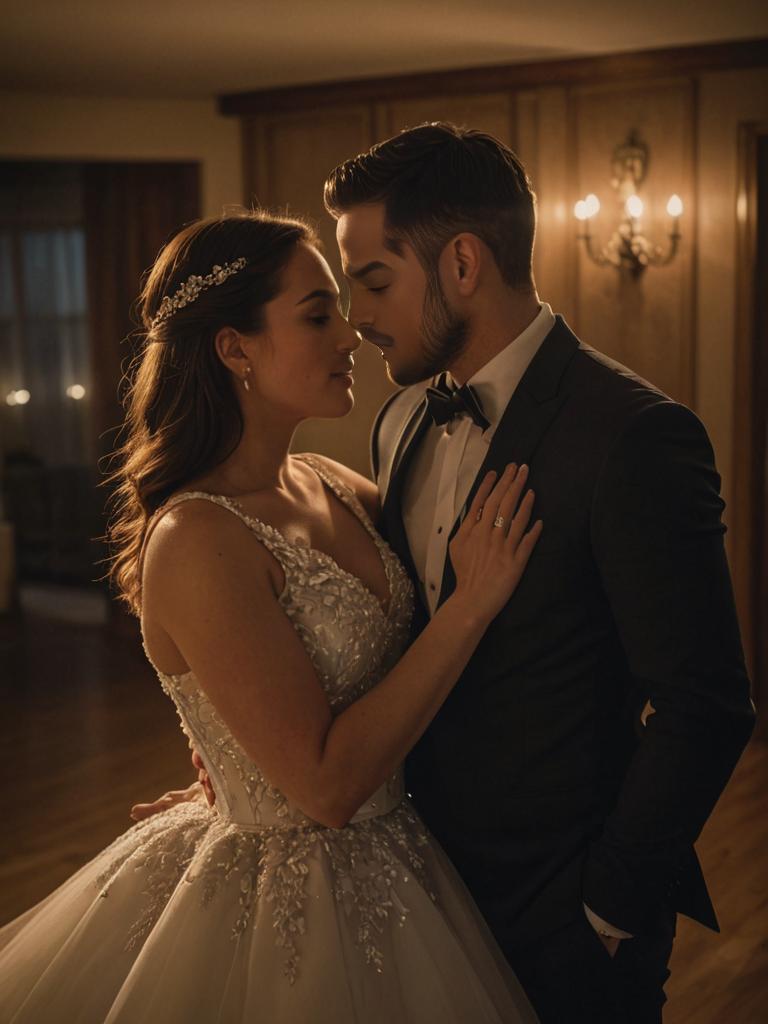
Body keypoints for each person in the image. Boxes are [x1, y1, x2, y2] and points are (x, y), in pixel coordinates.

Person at [157, 122, 756, 1022]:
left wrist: (608, 909)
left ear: (463, 265)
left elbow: (706, 706)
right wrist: (246, 763)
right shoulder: (398, 424)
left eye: (372, 283)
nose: (358, 321)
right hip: (409, 897)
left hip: (564, 916)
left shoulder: (633, 435)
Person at [0, 209, 542, 1023]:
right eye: (317, 314)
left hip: (414, 859)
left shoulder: (332, 482)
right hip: (290, 901)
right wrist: (468, 610)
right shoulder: (196, 538)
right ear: (234, 347)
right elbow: (323, 787)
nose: (351, 334)